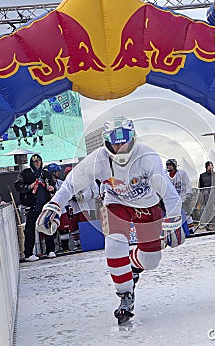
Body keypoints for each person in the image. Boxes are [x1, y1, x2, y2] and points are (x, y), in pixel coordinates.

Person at [36, 116, 183, 324]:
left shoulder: (147, 156)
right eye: (114, 139)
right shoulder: (97, 159)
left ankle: (132, 264)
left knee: (151, 261)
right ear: (106, 141)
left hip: (148, 206)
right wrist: (53, 206)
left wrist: (174, 221)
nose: (120, 144)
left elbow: (168, 192)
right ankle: (125, 295)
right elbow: (70, 185)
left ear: (134, 138)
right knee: (114, 245)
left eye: (125, 138)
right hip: (117, 203)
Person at [14, 154, 56, 261]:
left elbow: (54, 186)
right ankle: (28, 253)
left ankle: (50, 250)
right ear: (31, 163)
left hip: (45, 205)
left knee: (47, 227)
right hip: (31, 205)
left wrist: (52, 188)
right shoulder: (25, 174)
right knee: (30, 230)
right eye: (35, 162)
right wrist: (29, 187)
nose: (37, 164)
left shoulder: (45, 174)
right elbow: (17, 186)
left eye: (38, 161)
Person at [165, 158, 193, 236]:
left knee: (186, 214)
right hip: (173, 201)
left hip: (183, 198)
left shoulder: (182, 173)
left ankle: (190, 230)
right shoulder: (166, 176)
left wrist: (188, 195)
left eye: (170, 165)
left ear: (174, 166)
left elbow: (187, 184)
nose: (168, 167)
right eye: (167, 165)